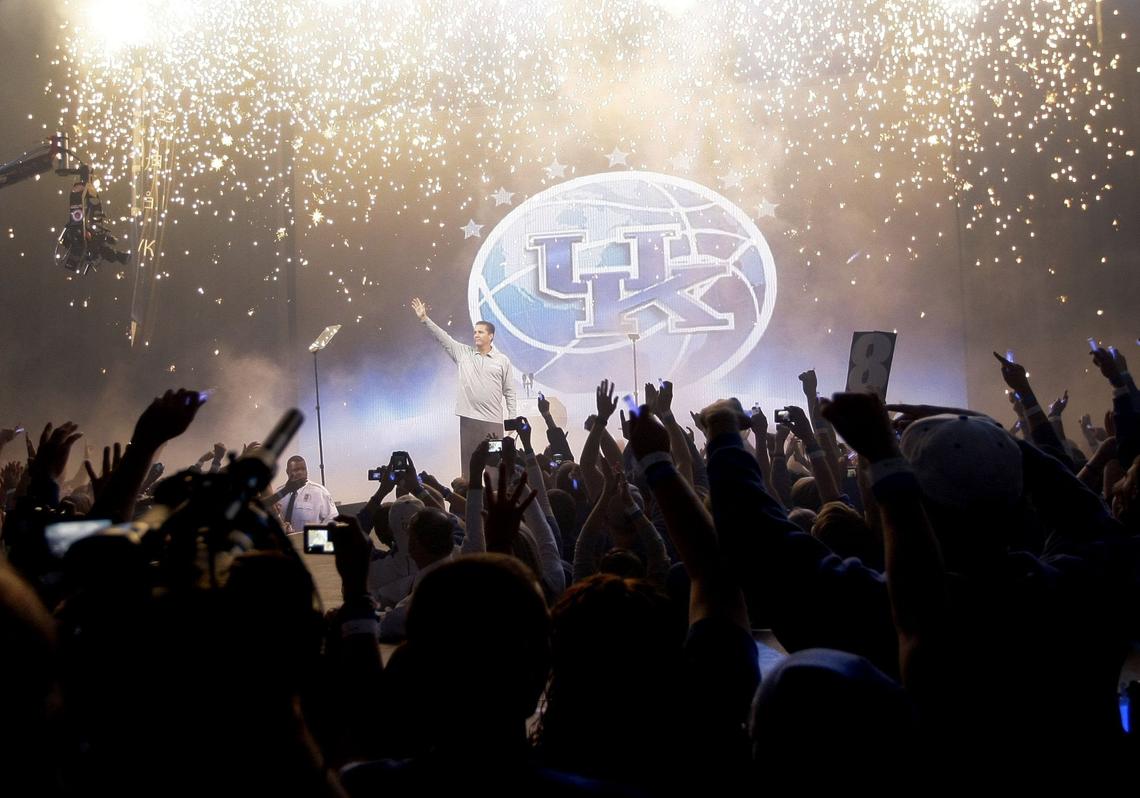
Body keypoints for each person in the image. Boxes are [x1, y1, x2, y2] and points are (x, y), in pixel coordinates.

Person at [411, 297, 516, 471]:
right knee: (469, 468)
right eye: (475, 332)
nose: (476, 335)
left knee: (495, 469)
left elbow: (510, 392)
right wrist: (424, 319)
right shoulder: (463, 353)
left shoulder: (502, 360)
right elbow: (443, 337)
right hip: (469, 421)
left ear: (491, 336)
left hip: (493, 423)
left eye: (481, 332)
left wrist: (512, 425)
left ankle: (497, 497)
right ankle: (469, 497)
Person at [274, 455, 336, 533]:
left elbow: (333, 521)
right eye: (296, 470)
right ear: (287, 472)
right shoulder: (279, 494)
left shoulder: (319, 492)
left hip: (310, 542)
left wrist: (315, 539)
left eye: (303, 469)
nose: (300, 472)